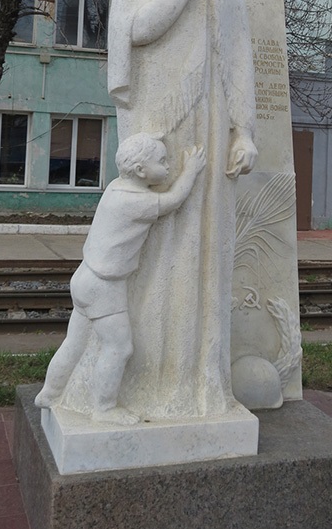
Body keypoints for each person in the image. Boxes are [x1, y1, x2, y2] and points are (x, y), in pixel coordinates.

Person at [53, 0, 257, 421]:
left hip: (211, 125)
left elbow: (239, 53)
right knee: (157, 249)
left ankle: (197, 382)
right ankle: (130, 387)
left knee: (207, 244)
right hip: (158, 122)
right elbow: (134, 30)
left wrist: (245, 130)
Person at [35, 135, 205, 423]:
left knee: (74, 343)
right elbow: (173, 200)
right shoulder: (138, 202)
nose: (168, 166)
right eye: (162, 161)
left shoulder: (116, 188)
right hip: (105, 285)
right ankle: (104, 408)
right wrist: (190, 171)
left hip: (85, 277)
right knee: (119, 347)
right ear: (140, 170)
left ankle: (50, 393)